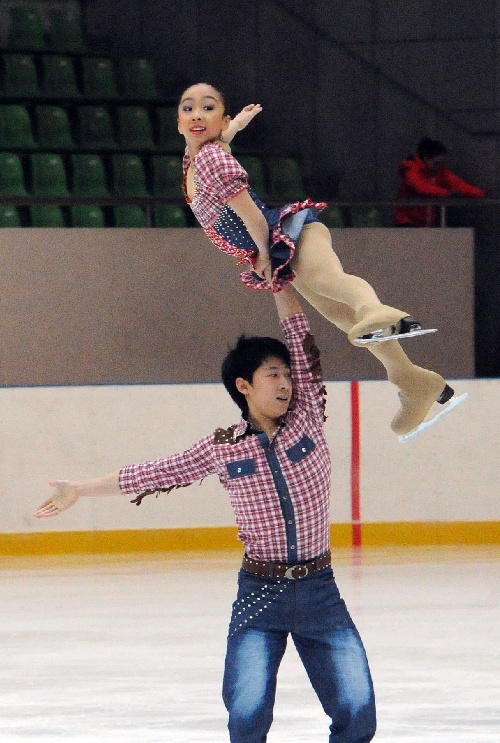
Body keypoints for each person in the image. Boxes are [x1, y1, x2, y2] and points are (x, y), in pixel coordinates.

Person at [35, 278, 377, 743]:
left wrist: (277, 280)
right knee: (247, 715)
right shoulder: (222, 450)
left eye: (287, 373)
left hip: (320, 591)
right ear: (244, 386)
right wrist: (78, 488)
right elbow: (152, 474)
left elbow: (300, 335)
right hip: (260, 594)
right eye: (272, 374)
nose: (285, 382)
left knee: (358, 714)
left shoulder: (308, 419)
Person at [177, 83, 465, 440]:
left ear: (217, 118)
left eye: (208, 107)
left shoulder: (211, 160)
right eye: (188, 108)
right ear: (178, 123)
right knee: (345, 319)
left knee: (333, 282)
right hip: (278, 246)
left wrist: (263, 255)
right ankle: (411, 380)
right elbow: (224, 138)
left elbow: (250, 215)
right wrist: (238, 124)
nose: (197, 115)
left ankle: (375, 308)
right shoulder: (196, 156)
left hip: (285, 234)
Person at [394, 137, 486, 227]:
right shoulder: (411, 169)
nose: (439, 166)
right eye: (436, 163)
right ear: (426, 158)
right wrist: (447, 193)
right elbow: (420, 187)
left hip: (426, 223)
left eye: (441, 163)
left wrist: (479, 193)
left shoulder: (439, 171)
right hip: (407, 222)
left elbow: (458, 184)